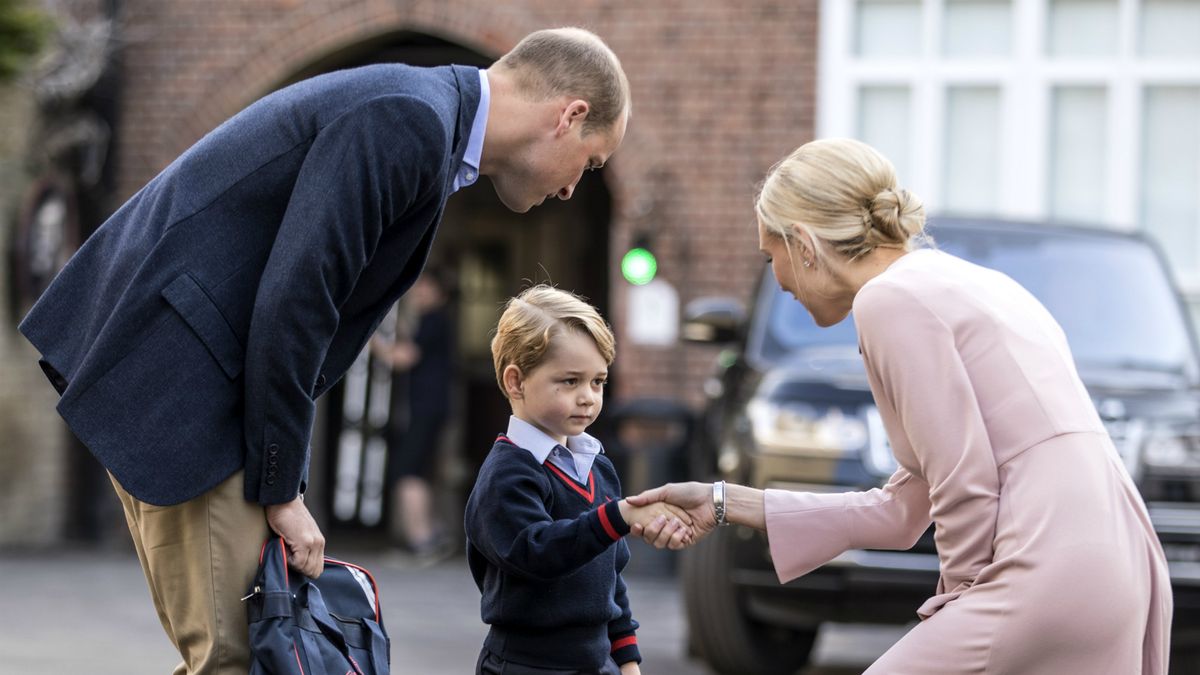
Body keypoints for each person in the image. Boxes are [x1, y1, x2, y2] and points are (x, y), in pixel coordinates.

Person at [18, 27, 630, 674]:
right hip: (189, 385)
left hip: (181, 373)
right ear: (570, 116)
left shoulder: (421, 113)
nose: (572, 189)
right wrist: (283, 488)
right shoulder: (409, 118)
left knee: (244, 652)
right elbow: (297, 300)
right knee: (242, 655)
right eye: (590, 164)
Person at [629, 138, 1173, 673]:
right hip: (1117, 563)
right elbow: (903, 509)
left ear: (803, 243)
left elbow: (964, 482)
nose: (779, 277)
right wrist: (722, 501)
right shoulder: (974, 284)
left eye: (771, 255)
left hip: (1042, 569)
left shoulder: (890, 300)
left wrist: (957, 604)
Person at [465, 285, 692, 675]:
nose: (588, 397)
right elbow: (538, 554)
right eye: (570, 381)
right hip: (526, 665)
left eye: (598, 381)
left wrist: (628, 660)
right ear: (516, 381)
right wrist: (617, 518)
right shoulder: (506, 475)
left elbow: (610, 579)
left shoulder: (598, 466)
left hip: (597, 662)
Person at [370, 270, 455, 558]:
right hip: (428, 408)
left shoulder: (434, 319)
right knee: (416, 469)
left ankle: (422, 540)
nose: (417, 293)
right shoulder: (432, 321)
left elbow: (402, 358)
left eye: (424, 288)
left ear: (439, 293)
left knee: (406, 469)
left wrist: (367, 339)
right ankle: (429, 534)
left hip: (425, 407)